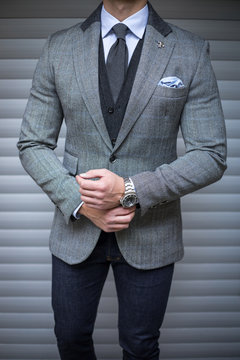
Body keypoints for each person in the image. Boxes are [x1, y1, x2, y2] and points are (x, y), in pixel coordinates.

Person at [17, 0, 227, 359]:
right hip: (76, 230)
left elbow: (210, 154)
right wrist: (82, 203)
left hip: (152, 230)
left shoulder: (189, 49)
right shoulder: (59, 46)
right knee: (69, 339)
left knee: (141, 346)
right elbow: (32, 142)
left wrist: (130, 190)